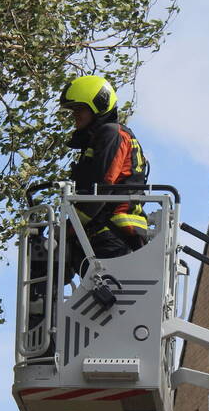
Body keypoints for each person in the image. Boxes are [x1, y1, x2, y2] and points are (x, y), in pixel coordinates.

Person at [58, 74, 149, 274]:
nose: (75, 116)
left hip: (113, 237)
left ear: (99, 105)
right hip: (99, 237)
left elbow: (100, 189)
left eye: (80, 109)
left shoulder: (112, 134)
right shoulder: (98, 139)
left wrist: (66, 229)